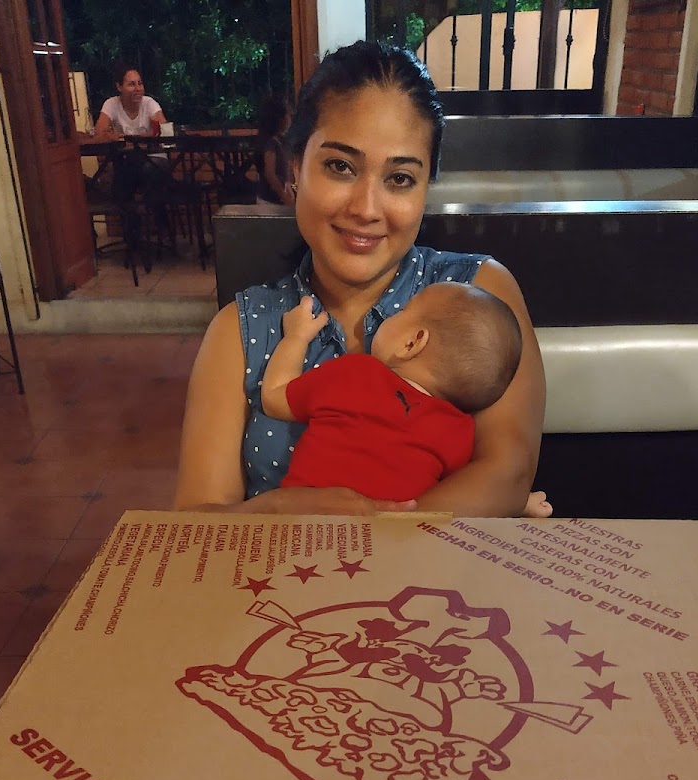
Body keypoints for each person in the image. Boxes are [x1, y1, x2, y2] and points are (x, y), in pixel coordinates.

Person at [175, 39, 550, 518]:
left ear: (425, 189)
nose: (366, 209)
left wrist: (368, 537)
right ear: (294, 169)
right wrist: (281, 510)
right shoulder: (241, 330)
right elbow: (195, 523)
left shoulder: (478, 296)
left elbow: (508, 471)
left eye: (400, 178)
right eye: (340, 166)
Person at [260, 282, 521, 500]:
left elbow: (273, 398)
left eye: (403, 310)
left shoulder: (355, 371)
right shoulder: (460, 433)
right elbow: (456, 500)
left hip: (304, 525)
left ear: (412, 343)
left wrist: (296, 337)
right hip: (389, 539)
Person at [93, 64, 167, 140]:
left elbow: (164, 130)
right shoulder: (111, 104)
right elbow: (99, 134)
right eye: (131, 84)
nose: (138, 88)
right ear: (119, 87)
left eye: (140, 83)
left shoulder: (149, 103)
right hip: (122, 148)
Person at [255, 94, 295, 207]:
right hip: (269, 202)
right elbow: (270, 175)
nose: (290, 117)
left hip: (276, 200)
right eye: (288, 114)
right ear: (279, 118)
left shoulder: (281, 140)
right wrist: (284, 197)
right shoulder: (271, 143)